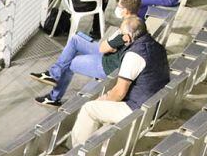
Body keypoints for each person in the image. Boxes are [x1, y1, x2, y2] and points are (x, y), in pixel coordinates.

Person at [70, 16, 171, 147]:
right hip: (154, 104)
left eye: (122, 34)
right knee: (102, 102)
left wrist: (103, 99)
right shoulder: (157, 46)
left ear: (128, 36)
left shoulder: (134, 55)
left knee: (89, 108)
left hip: (136, 109)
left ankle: (75, 152)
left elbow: (119, 93)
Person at [32, 0, 142, 106]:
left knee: (70, 62)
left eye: (119, 6)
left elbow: (104, 48)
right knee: (76, 39)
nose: (117, 8)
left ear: (125, 10)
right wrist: (110, 45)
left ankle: (53, 97)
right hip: (110, 54)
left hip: (108, 64)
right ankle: (53, 74)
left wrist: (109, 44)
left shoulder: (128, 29)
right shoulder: (136, 22)